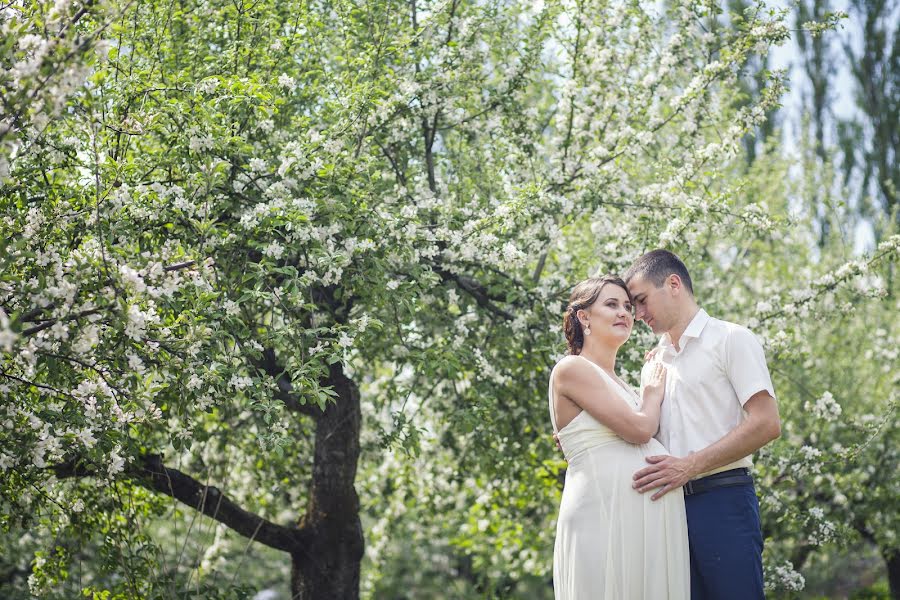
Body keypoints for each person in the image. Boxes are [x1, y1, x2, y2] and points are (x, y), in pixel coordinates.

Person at [624, 250, 781, 600]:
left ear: (674, 284)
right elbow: (641, 431)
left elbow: (767, 423)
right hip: (667, 511)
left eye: (642, 301)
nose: (639, 315)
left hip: (723, 501)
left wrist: (690, 466)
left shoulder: (731, 339)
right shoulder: (653, 363)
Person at [549, 275, 689, 600]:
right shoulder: (572, 368)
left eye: (627, 306)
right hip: (603, 519)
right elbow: (640, 429)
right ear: (584, 316)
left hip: (641, 529)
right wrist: (652, 391)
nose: (624, 313)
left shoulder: (622, 385)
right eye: (611, 304)